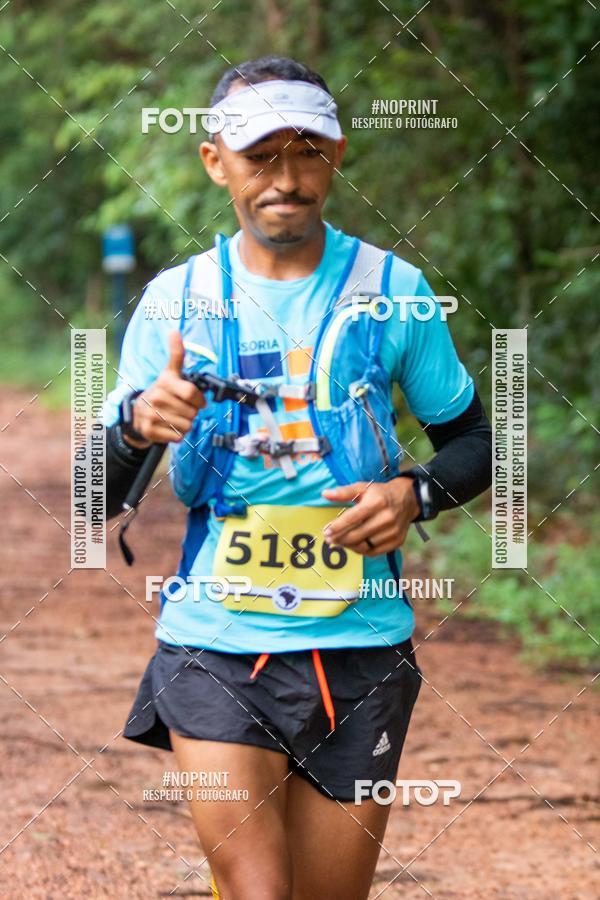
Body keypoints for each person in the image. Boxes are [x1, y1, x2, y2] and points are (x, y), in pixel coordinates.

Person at [103, 56, 492, 900]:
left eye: (306, 152)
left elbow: (474, 442)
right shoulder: (175, 302)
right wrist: (137, 424)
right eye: (260, 156)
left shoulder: (395, 292)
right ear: (216, 161)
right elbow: (95, 494)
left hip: (360, 649)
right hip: (214, 644)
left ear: (337, 154)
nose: (286, 178)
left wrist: (414, 494)